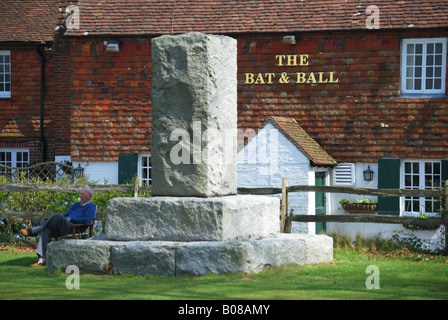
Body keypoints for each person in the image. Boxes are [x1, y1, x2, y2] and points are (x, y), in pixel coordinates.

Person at [20, 186, 97, 267]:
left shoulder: (92, 206)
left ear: (89, 196)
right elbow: (66, 215)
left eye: (83, 194)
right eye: (80, 194)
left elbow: (86, 220)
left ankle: (35, 230)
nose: (80, 196)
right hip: (65, 226)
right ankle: (42, 259)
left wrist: (70, 219)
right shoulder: (75, 204)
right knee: (46, 229)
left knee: (58, 216)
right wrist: (66, 218)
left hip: (75, 228)